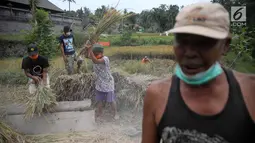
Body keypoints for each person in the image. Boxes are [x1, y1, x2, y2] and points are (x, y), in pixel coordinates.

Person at [142, 2, 255, 143]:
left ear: (225, 45)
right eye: (182, 40)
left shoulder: (250, 92)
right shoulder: (157, 94)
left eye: (203, 42)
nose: (189, 53)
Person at [85, 43, 119, 120]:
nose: (93, 54)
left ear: (100, 53)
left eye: (94, 53)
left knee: (111, 100)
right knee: (99, 100)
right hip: (99, 82)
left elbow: (96, 61)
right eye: (93, 53)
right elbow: (87, 56)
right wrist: (87, 49)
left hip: (108, 82)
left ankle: (116, 113)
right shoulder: (95, 56)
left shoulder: (105, 59)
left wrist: (90, 50)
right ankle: (100, 115)